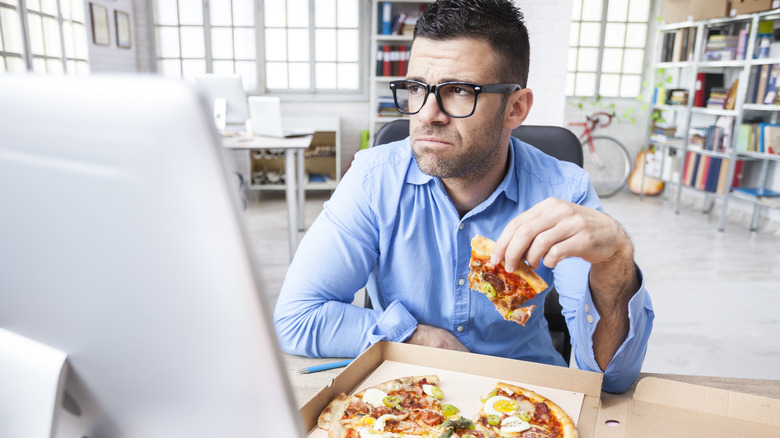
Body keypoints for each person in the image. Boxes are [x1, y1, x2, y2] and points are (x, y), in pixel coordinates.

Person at [273, 0, 654, 393]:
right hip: (413, 399)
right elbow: (297, 318)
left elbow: (612, 378)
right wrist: (416, 335)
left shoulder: (564, 191)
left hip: (529, 402)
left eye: (458, 91)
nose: (427, 114)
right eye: (417, 88)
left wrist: (615, 264)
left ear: (516, 108)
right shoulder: (372, 181)